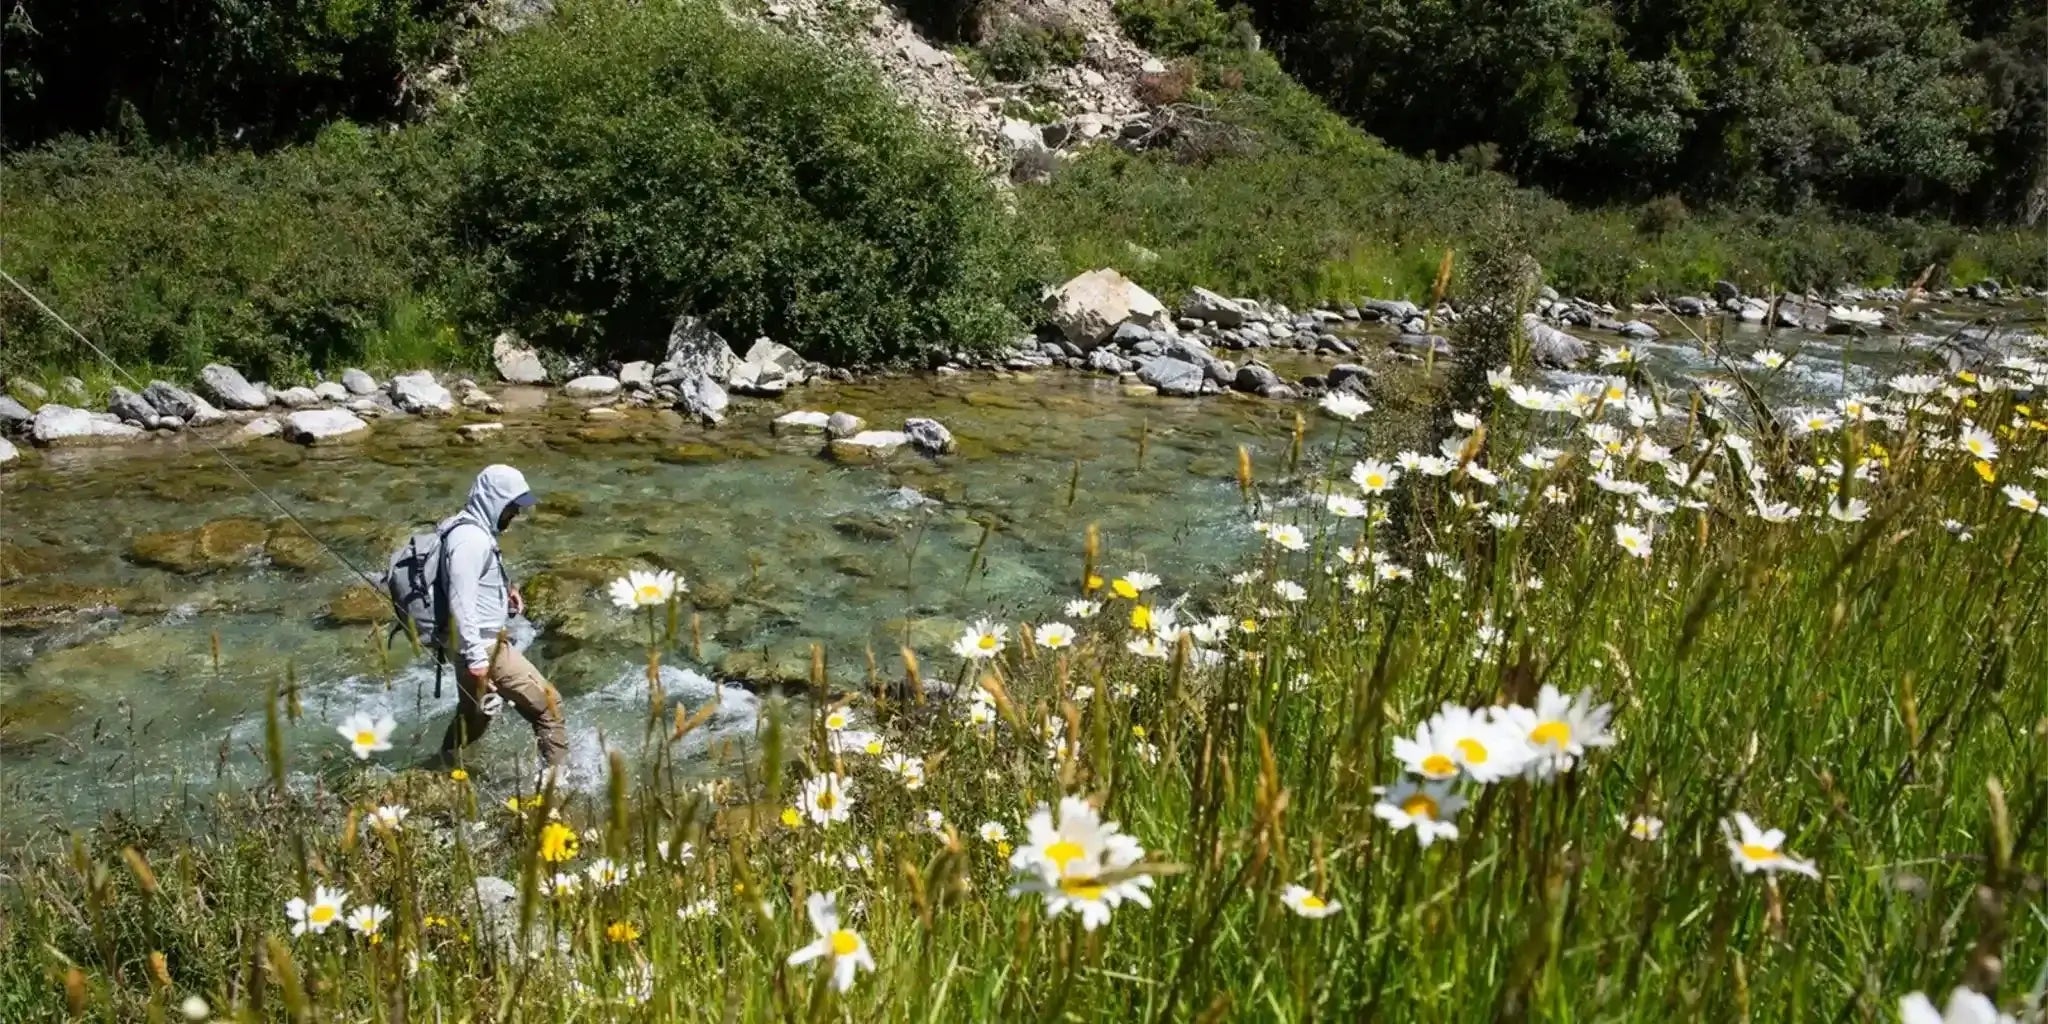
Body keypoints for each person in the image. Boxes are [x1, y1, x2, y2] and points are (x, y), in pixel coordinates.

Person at [437, 464, 569, 774]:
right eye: (512, 507)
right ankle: (558, 787)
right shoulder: (470, 540)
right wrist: (477, 660)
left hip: (470, 645)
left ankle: (440, 769)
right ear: (493, 501)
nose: (516, 514)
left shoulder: (467, 527)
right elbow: (460, 600)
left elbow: (469, 581)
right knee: (549, 706)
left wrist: (504, 589)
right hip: (482, 647)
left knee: (474, 716)